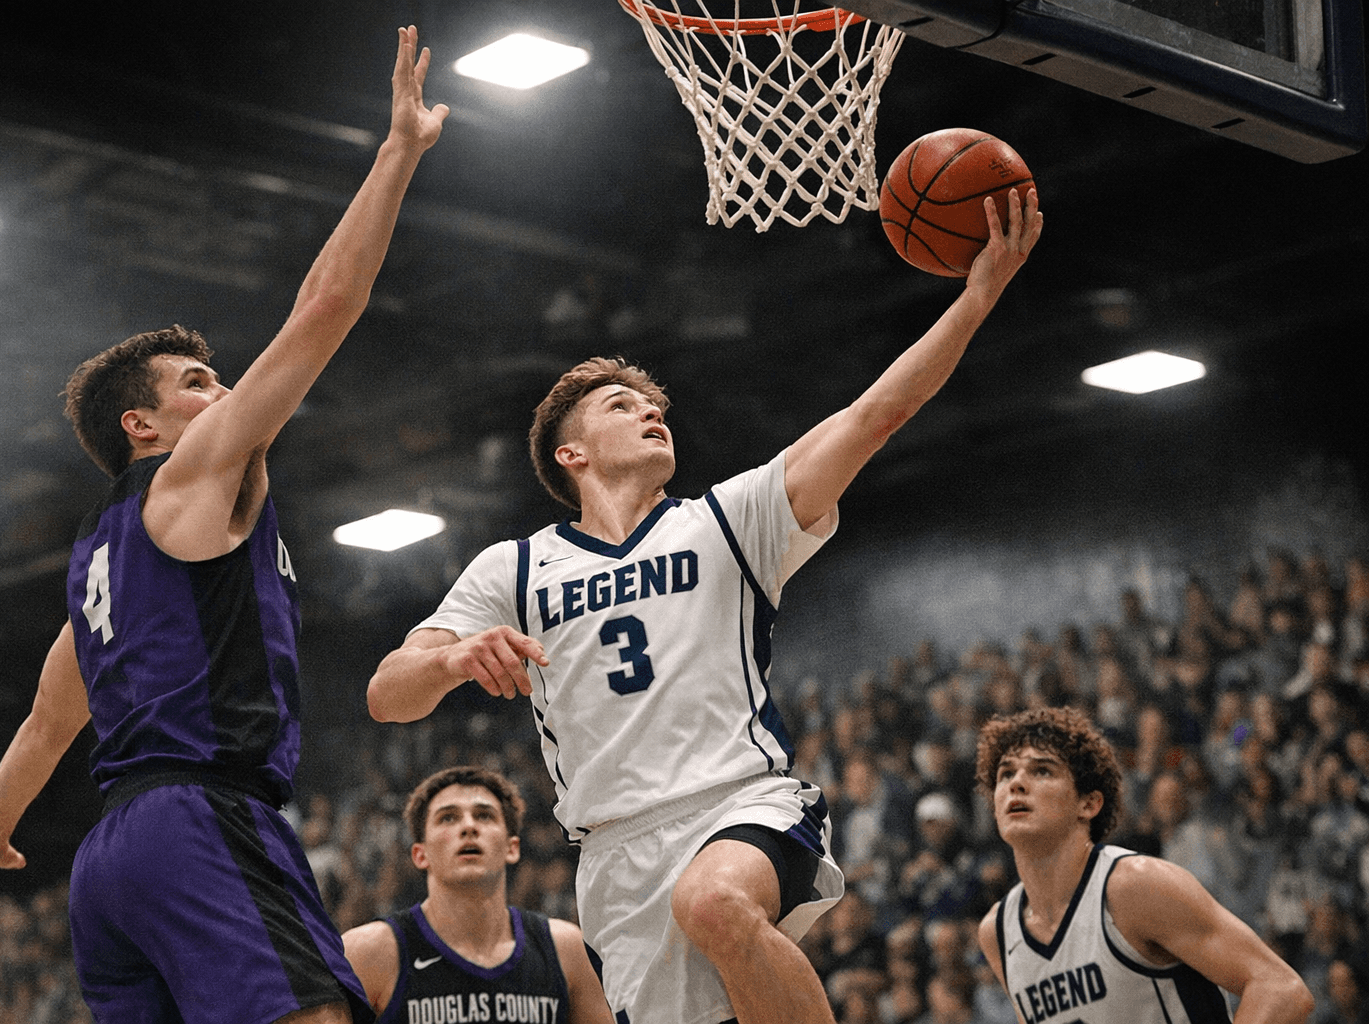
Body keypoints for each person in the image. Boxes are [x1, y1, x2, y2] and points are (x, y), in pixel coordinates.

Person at [368, 187, 1043, 1024]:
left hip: (739, 801)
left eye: (656, 407)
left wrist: (977, 296)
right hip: (614, 849)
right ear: (569, 452)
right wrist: (448, 658)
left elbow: (877, 414)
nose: (652, 411)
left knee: (716, 903)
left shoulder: (730, 520)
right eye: (623, 405)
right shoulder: (513, 568)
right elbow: (387, 695)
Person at [0, 26, 448, 1024]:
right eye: (200, 382)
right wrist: (397, 151)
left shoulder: (98, 572)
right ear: (141, 425)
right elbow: (328, 306)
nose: (228, 392)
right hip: (201, 818)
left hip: (108, 863)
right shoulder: (191, 470)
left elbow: (48, 721)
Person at [975, 706, 1313, 1024]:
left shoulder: (1135, 887)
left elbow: (1281, 989)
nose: (1016, 783)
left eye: (1042, 770)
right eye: (1006, 774)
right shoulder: (998, 933)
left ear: (1088, 804)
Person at [340, 766, 612, 1024]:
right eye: (448, 817)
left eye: (484, 815)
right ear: (420, 854)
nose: (468, 827)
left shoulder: (566, 949)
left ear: (512, 847)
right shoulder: (368, 952)